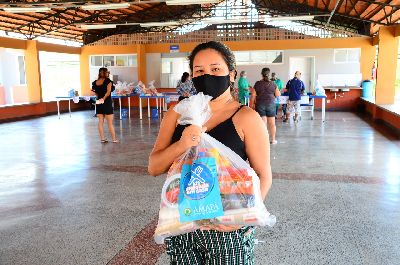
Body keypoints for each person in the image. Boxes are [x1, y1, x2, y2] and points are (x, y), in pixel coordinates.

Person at [148, 41, 272, 264]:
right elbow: (154, 167)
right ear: (192, 75)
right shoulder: (176, 114)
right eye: (199, 71)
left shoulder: (246, 118)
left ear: (231, 74)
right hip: (182, 226)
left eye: (215, 69)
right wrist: (182, 144)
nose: (207, 76)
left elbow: (264, 175)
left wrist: (242, 220)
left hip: (228, 231)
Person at [251, 68, 280, 144]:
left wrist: (251, 105)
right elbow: (277, 95)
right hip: (270, 104)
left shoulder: (257, 83)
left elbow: (253, 96)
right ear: (269, 74)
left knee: (263, 124)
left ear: (262, 74)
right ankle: (273, 140)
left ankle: (264, 140)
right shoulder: (273, 84)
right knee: (272, 123)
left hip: (260, 104)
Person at [91, 67, 119, 143]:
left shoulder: (95, 82)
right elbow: (108, 92)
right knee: (110, 123)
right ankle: (114, 139)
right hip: (106, 103)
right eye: (107, 72)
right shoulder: (108, 81)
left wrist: (99, 98)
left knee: (100, 121)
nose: (108, 73)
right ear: (105, 72)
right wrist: (103, 98)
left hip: (99, 103)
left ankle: (102, 139)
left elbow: (95, 93)